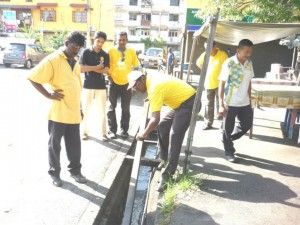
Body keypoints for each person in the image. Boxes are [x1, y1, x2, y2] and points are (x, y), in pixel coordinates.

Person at [28, 31, 87, 187]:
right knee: (55, 145)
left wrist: (80, 107)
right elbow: (33, 78)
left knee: (74, 145)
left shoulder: (75, 60)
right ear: (67, 42)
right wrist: (48, 94)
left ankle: (75, 171)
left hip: (74, 112)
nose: (77, 50)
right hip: (59, 112)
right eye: (74, 46)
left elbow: (77, 87)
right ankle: (55, 174)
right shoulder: (53, 60)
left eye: (79, 47)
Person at [127, 71, 196, 191]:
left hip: (190, 102)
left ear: (143, 78)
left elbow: (154, 119)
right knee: (163, 126)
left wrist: (144, 133)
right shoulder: (151, 78)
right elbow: (164, 88)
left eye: (137, 85)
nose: (136, 89)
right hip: (180, 102)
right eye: (134, 87)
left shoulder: (154, 89)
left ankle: (168, 175)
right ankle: (164, 159)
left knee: (175, 135)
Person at [219, 39, 255, 163]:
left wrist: (250, 98)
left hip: (244, 101)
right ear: (238, 51)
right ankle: (229, 150)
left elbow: (249, 82)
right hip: (230, 102)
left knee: (247, 124)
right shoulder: (228, 63)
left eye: (250, 52)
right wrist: (221, 104)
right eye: (246, 52)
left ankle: (227, 138)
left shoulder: (249, 63)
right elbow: (222, 84)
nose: (248, 54)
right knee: (228, 127)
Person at [107, 31, 140, 139]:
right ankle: (112, 130)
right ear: (117, 39)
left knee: (125, 109)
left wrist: (134, 82)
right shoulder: (111, 51)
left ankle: (124, 131)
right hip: (113, 83)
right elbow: (106, 66)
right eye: (120, 39)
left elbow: (136, 67)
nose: (121, 42)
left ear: (127, 40)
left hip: (127, 84)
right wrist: (109, 77)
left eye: (123, 40)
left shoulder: (131, 51)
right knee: (112, 107)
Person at [80, 31, 109, 142]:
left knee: (102, 111)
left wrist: (90, 68)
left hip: (101, 86)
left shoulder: (105, 54)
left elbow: (107, 71)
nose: (100, 44)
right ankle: (85, 132)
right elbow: (81, 68)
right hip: (87, 85)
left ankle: (104, 133)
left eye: (102, 42)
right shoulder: (86, 52)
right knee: (86, 110)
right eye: (98, 41)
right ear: (94, 40)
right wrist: (97, 67)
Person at [196, 41, 228, 130]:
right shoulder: (205, 55)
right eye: (206, 48)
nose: (208, 50)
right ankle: (208, 123)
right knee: (208, 104)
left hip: (220, 84)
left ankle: (222, 123)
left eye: (209, 47)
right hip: (209, 83)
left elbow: (228, 67)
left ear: (215, 46)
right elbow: (198, 63)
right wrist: (205, 70)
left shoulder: (222, 54)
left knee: (220, 103)